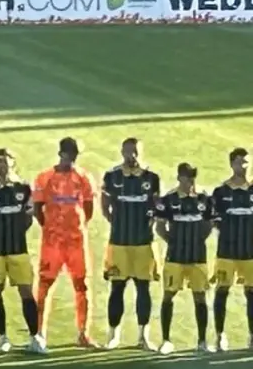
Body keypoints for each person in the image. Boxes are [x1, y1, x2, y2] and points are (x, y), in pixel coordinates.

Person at [0, 149, 45, 353]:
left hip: (18, 249)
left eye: (5, 162)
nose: (1, 166)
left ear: (13, 164)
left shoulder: (23, 189)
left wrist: (16, 232)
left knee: (25, 290)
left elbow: (28, 216)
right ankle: (3, 337)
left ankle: (35, 338)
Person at [33, 137, 96, 347]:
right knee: (44, 286)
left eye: (76, 156)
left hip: (76, 241)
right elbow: (37, 209)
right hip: (52, 243)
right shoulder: (45, 178)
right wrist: (51, 228)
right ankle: (39, 333)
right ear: (62, 154)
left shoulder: (84, 178)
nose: (73, 160)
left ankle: (83, 334)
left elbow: (88, 209)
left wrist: (76, 227)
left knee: (82, 286)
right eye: (71, 155)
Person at [101, 138, 160, 350]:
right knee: (117, 287)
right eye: (128, 151)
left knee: (143, 288)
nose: (131, 155)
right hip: (118, 243)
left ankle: (143, 336)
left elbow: (156, 206)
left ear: (140, 152)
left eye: (135, 151)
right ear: (121, 151)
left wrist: (148, 224)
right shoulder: (112, 176)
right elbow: (105, 204)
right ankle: (113, 334)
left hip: (143, 243)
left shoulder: (151, 178)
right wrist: (115, 222)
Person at [154, 163, 213, 354]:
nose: (190, 183)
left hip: (198, 257)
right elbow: (160, 227)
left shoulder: (204, 199)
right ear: (179, 178)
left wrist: (197, 240)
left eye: (193, 179)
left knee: (200, 298)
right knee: (169, 295)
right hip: (175, 258)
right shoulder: (169, 200)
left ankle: (202, 342)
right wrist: (174, 242)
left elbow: (208, 225)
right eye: (187, 179)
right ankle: (166, 340)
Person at [209, 147, 253, 351]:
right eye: (238, 162)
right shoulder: (220, 192)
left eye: (245, 162)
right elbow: (215, 222)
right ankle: (219, 336)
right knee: (222, 291)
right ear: (231, 164)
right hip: (226, 252)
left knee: (251, 294)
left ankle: (252, 337)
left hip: (250, 253)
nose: (242, 166)